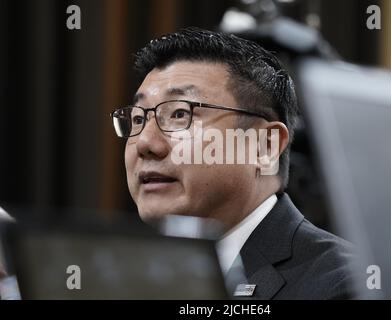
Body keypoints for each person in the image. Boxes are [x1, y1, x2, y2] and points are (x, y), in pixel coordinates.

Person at [111, 27, 354, 299]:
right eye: (138, 119)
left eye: (180, 113)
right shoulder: (119, 278)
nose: (145, 143)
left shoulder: (346, 284)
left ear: (266, 145)